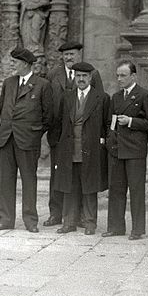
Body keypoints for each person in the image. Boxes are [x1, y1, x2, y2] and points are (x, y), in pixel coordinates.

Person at [0, 48, 53, 232]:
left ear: (25, 64)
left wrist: (34, 133)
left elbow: (48, 116)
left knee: (29, 180)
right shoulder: (9, 83)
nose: (12, 65)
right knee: (5, 181)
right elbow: (4, 108)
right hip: (7, 138)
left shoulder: (42, 85)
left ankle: (30, 221)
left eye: (15, 62)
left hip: (28, 139)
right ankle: (6, 219)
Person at [44, 42, 104, 227]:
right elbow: (48, 102)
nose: (69, 58)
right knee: (58, 176)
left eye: (72, 54)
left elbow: (98, 102)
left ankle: (78, 217)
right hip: (59, 134)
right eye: (66, 55)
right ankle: (56, 214)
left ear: (79, 55)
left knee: (80, 175)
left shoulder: (92, 74)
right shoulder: (53, 74)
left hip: (83, 136)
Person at [51, 62, 109, 235]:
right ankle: (69, 222)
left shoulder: (102, 98)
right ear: (74, 77)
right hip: (69, 149)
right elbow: (59, 123)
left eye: (84, 76)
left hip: (91, 149)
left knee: (89, 186)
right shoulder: (67, 97)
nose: (81, 79)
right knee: (70, 185)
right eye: (78, 76)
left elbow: (106, 125)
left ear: (91, 78)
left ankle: (90, 222)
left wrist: (102, 144)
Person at [104, 60, 148, 240]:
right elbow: (111, 121)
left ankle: (137, 229)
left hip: (134, 151)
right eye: (117, 75)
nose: (119, 79)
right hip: (117, 149)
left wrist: (131, 122)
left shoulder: (144, 95)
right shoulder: (116, 97)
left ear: (133, 76)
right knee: (116, 189)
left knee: (136, 191)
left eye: (123, 75)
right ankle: (116, 227)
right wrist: (110, 140)